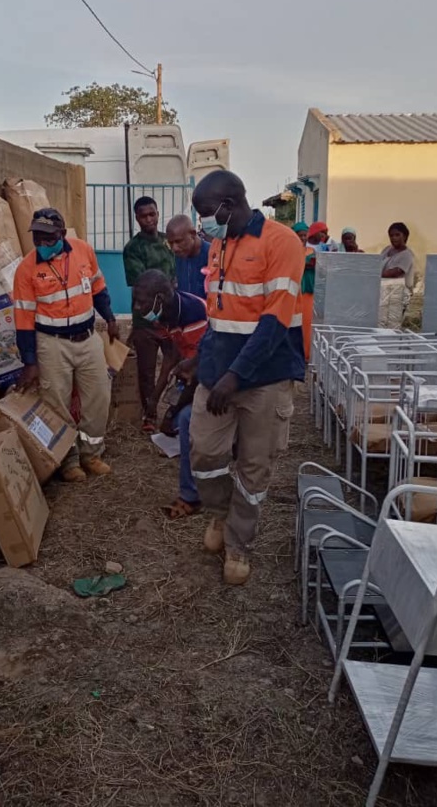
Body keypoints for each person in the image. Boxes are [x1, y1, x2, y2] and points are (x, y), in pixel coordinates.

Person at [189, 171, 305, 586]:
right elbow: (220, 313)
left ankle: (239, 543)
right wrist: (203, 361)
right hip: (219, 373)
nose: (202, 222)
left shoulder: (282, 243)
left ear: (230, 204)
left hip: (265, 378)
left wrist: (236, 377)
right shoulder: (221, 241)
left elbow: (274, 323)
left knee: (255, 467)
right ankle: (220, 516)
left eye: (206, 213)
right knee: (204, 453)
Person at [13, 208, 119, 483]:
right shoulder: (26, 269)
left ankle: (91, 454)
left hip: (87, 338)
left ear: (61, 234)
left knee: (98, 396)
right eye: (37, 238)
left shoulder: (84, 251)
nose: (42, 244)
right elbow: (23, 319)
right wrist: (30, 362)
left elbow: (98, 288)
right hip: (51, 343)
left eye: (48, 238)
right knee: (56, 402)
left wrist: (109, 318)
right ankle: (68, 459)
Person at [132, 270, 208, 519]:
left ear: (160, 298)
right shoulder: (164, 315)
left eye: (142, 301)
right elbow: (173, 356)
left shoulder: (193, 313)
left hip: (214, 374)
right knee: (180, 422)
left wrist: (171, 411)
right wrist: (155, 398)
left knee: (184, 420)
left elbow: (200, 369)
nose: (136, 306)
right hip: (194, 371)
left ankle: (191, 496)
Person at [123, 196, 176, 433]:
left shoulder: (168, 242)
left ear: (157, 213)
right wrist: (167, 286)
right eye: (143, 216)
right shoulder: (132, 249)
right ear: (137, 218)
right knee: (147, 370)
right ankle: (150, 415)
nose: (149, 219)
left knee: (178, 365)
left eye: (152, 214)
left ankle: (175, 412)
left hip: (174, 317)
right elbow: (143, 285)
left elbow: (179, 270)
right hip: (146, 319)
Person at [379, 221, 416, 327]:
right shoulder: (387, 249)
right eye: (391, 235)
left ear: (405, 236)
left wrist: (374, 273)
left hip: (397, 294)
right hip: (384, 292)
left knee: (393, 324)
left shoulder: (407, 255)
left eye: (397, 235)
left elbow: (395, 272)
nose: (394, 238)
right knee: (381, 322)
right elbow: (376, 262)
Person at [165, 214, 209, 299]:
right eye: (170, 243)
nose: (175, 248)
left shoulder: (212, 255)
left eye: (179, 241)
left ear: (193, 234)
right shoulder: (179, 256)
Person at [293, 222, 315, 360]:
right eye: (299, 235)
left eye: (304, 235)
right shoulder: (290, 251)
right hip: (295, 292)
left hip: (309, 292)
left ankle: (307, 354)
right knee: (296, 323)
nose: (302, 238)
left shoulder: (313, 252)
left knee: (308, 323)